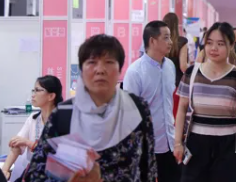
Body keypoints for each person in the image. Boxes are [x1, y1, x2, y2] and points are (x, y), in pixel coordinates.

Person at [23, 34, 157, 182]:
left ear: (120, 70)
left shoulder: (137, 108)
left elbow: (148, 168)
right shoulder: (64, 114)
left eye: (109, 62)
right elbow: (35, 175)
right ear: (81, 70)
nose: (100, 70)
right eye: (92, 62)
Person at [174, 22, 236, 181]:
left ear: (231, 45)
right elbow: (182, 109)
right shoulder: (191, 73)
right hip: (196, 143)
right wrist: (178, 143)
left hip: (228, 145)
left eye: (220, 44)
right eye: (209, 43)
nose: (213, 48)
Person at [123, 21, 179, 182]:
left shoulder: (170, 66)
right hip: (145, 147)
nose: (170, 42)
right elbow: (129, 113)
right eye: (166, 38)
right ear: (152, 41)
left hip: (169, 142)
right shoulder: (135, 72)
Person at [2, 75, 63, 181]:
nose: (33, 95)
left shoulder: (62, 121)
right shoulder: (33, 119)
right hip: (34, 171)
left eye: (37, 90)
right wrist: (4, 170)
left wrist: (28, 143)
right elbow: (17, 145)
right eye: (33, 90)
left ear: (51, 96)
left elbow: (55, 154)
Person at [164, 13, 188, 117]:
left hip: (161, 83)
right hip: (176, 84)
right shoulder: (181, 41)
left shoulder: (159, 41)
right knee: (175, 117)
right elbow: (183, 66)